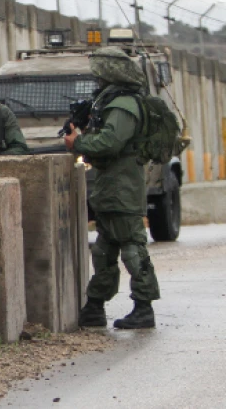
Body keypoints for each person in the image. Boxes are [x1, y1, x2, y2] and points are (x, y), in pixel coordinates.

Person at [67, 48, 160, 330]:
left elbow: (111, 142)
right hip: (110, 188)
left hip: (123, 188)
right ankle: (95, 306)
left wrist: (79, 143)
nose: (96, 78)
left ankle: (143, 308)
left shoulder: (124, 105)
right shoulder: (110, 101)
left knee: (133, 248)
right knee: (104, 252)